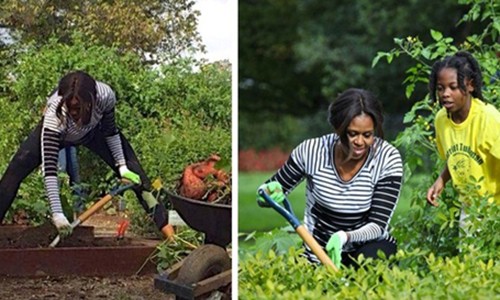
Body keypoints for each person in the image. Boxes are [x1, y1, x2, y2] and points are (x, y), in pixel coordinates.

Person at [0, 70, 174, 240]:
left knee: (138, 177)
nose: (74, 112)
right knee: (14, 171)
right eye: (70, 107)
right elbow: (50, 169)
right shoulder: (55, 112)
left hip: (94, 133)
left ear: (91, 100)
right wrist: (58, 214)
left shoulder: (105, 95)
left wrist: (122, 166)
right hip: (60, 134)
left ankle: (172, 238)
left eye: (78, 107)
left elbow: (110, 132)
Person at [257, 88, 403, 268]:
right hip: (318, 251)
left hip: (368, 247)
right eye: (352, 133)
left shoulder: (387, 158)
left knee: (372, 265)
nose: (360, 142)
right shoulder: (312, 151)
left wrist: (344, 237)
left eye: (367, 135)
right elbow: (267, 190)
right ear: (338, 128)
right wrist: (268, 193)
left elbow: (378, 225)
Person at [426, 51, 500, 212]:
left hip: (495, 209)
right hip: (469, 209)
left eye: (453, 87)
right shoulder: (441, 120)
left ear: (470, 85)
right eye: (440, 88)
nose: (445, 94)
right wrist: (441, 180)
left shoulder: (489, 119)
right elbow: (457, 157)